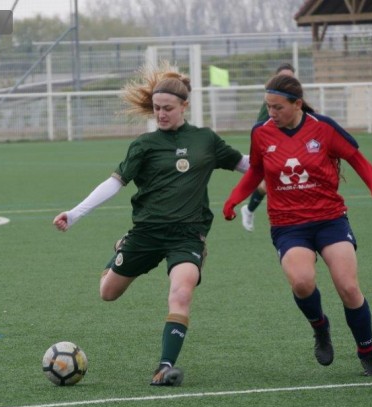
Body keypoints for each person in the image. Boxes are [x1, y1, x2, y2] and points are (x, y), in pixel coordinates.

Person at [53, 63, 249, 386]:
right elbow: (114, 184)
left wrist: (278, 168)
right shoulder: (144, 145)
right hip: (146, 233)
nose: (160, 114)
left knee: (181, 292)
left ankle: (164, 366)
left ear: (184, 106)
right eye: (156, 108)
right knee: (108, 293)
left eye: (167, 109)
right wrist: (74, 214)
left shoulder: (206, 141)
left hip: (188, 234)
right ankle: (120, 248)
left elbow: (245, 165)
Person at [223, 74, 372, 376]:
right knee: (302, 282)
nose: (271, 114)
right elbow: (255, 172)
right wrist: (234, 198)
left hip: (330, 219)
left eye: (277, 108)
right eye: (268, 107)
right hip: (289, 225)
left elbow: (356, 158)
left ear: (297, 104)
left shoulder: (323, 128)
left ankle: (367, 352)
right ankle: (321, 328)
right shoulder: (261, 133)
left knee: (349, 287)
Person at [240, 63, 296, 232]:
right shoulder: (272, 102)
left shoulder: (295, 100)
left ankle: (249, 210)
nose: (288, 81)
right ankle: (251, 210)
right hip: (273, 149)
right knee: (274, 183)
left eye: (291, 77)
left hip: (291, 149)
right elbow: (260, 128)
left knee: (277, 183)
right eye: (284, 77)